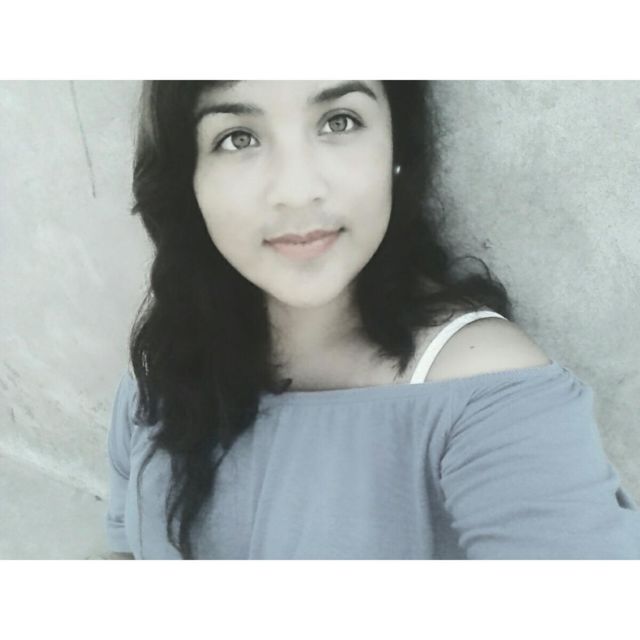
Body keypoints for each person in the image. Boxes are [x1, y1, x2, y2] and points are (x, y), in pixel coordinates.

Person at [105, 80, 640, 559]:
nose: (297, 191)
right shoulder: (163, 366)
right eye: (238, 137)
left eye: (339, 122)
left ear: (396, 148)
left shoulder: (486, 397)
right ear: (190, 177)